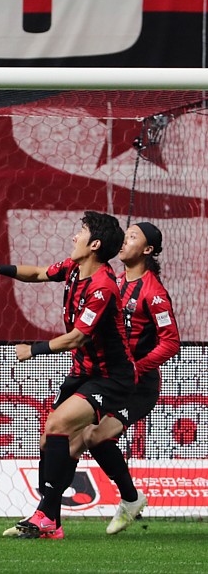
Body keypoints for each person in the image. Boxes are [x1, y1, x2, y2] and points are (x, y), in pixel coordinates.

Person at [0, 211, 136, 540]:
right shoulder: (73, 268)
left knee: (58, 425)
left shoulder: (102, 287)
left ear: (94, 244)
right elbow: (37, 273)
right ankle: (50, 519)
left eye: (81, 231)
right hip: (83, 372)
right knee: (49, 440)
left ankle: (47, 516)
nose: (74, 236)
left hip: (112, 378)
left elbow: (77, 338)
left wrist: (33, 350)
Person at [71, 222, 180, 535]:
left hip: (138, 386)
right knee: (70, 441)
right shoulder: (114, 282)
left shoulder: (154, 293)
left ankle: (130, 499)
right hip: (109, 378)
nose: (124, 241)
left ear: (147, 250)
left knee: (95, 436)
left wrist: (137, 367)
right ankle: (48, 514)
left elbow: (171, 342)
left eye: (132, 237)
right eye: (125, 235)